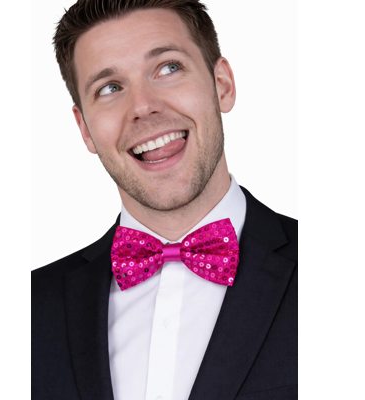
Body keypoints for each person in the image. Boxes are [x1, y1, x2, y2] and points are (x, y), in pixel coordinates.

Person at [32, 1, 297, 399]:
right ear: (85, 129)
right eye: (109, 88)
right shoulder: (28, 311)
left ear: (222, 85)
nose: (143, 107)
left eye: (168, 68)